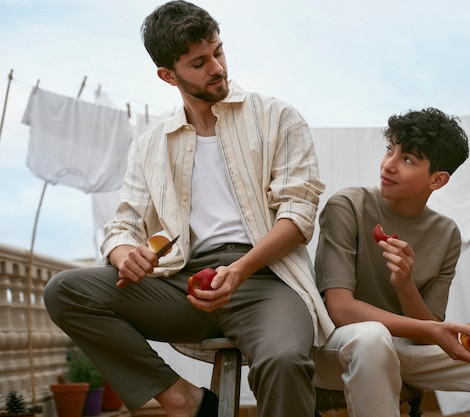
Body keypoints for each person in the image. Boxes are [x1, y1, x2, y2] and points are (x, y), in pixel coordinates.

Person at [43, 2, 335, 417]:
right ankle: (185, 400)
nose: (216, 67)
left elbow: (298, 213)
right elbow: (123, 223)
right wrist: (126, 257)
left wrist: (239, 271)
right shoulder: (151, 144)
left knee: (284, 361)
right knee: (65, 290)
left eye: (218, 51)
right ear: (167, 75)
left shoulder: (278, 117)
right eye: (199, 62)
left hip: (266, 281)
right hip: (183, 286)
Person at [311, 108, 470, 417]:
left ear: (437, 179)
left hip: (404, 353)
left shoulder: (447, 233)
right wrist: (432, 331)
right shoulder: (348, 206)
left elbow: (429, 329)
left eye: (407, 159)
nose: (389, 165)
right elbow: (340, 309)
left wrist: (405, 285)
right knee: (372, 337)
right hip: (340, 351)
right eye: (389, 150)